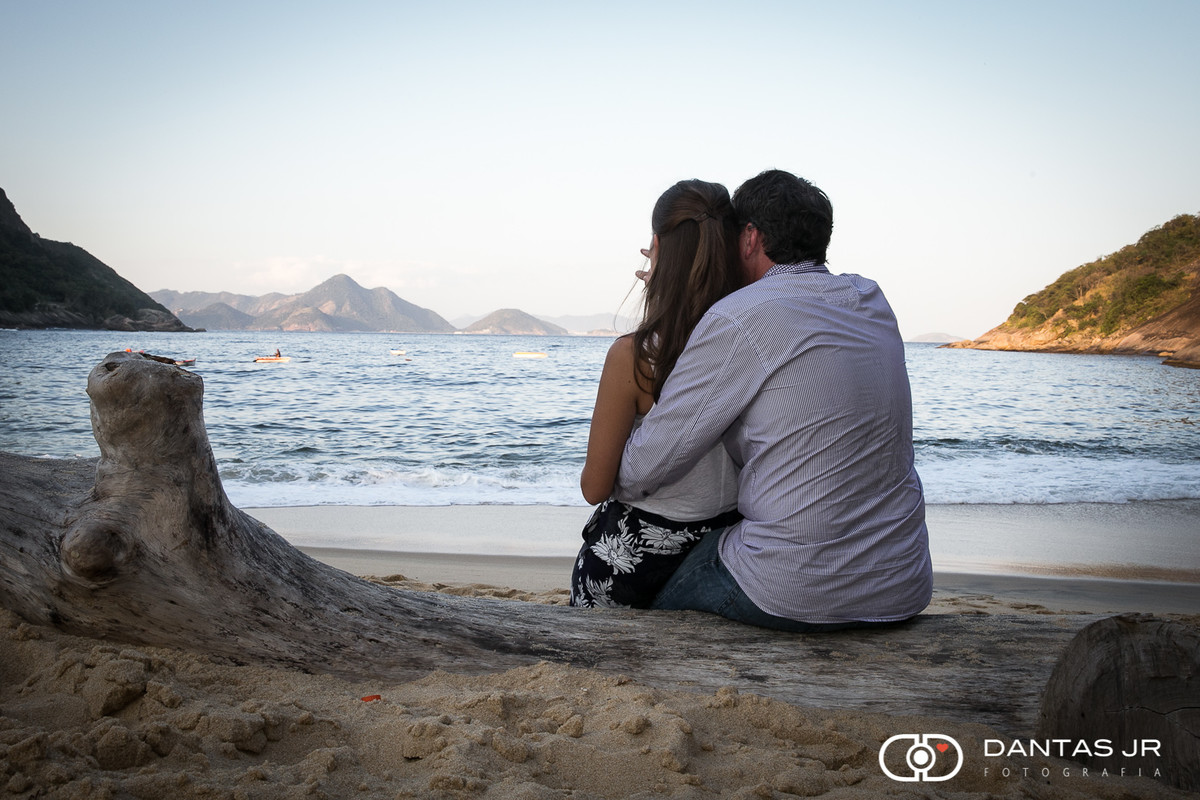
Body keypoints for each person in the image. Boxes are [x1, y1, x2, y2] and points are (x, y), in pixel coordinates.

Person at [617, 169, 933, 631]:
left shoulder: (741, 317)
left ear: (749, 238)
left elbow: (643, 470)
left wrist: (670, 283)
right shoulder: (871, 298)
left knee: (648, 606)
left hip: (798, 588)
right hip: (901, 581)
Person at [570, 180, 744, 608]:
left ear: (656, 247)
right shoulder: (750, 342)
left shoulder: (634, 356)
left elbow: (595, 487)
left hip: (634, 563)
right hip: (727, 548)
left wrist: (663, 291)